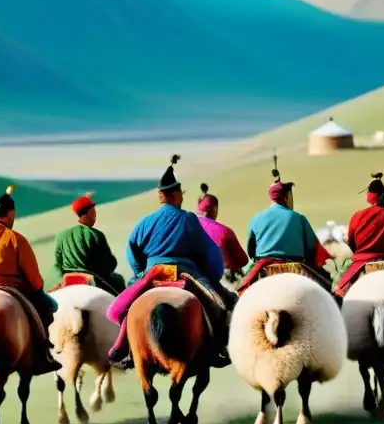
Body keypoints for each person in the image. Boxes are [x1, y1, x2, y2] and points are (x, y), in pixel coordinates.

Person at [106, 155, 235, 370]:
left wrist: (140, 273)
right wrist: (212, 273)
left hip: (152, 274)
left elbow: (132, 252)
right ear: (174, 195)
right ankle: (217, 347)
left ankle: (123, 347)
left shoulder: (145, 222)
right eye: (180, 194)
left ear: (160, 196)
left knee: (129, 308)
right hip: (185, 273)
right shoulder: (188, 219)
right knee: (219, 304)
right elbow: (208, 251)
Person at [0, 185, 61, 374]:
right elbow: (34, 278)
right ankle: (42, 356)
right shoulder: (15, 238)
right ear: (11, 213)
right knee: (49, 308)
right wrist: (37, 287)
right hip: (9, 287)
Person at [239, 155, 332, 293]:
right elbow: (312, 247)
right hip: (296, 267)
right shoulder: (298, 218)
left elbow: (251, 250)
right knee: (328, 284)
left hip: (264, 266)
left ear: (270, 197)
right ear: (286, 197)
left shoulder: (256, 218)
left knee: (241, 293)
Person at [333, 173, 384, 298]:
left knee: (338, 292)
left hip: (362, 264)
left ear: (368, 196)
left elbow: (352, 244)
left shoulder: (357, 216)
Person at [53, 193, 126, 294]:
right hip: (91, 278)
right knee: (119, 280)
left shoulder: (60, 236)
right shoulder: (95, 234)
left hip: (68, 279)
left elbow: (58, 264)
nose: (95, 214)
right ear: (89, 211)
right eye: (94, 211)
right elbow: (108, 265)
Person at [195, 183, 249, 279]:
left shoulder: (186, 225)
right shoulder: (225, 231)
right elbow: (243, 260)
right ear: (214, 209)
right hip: (222, 278)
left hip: (193, 274)